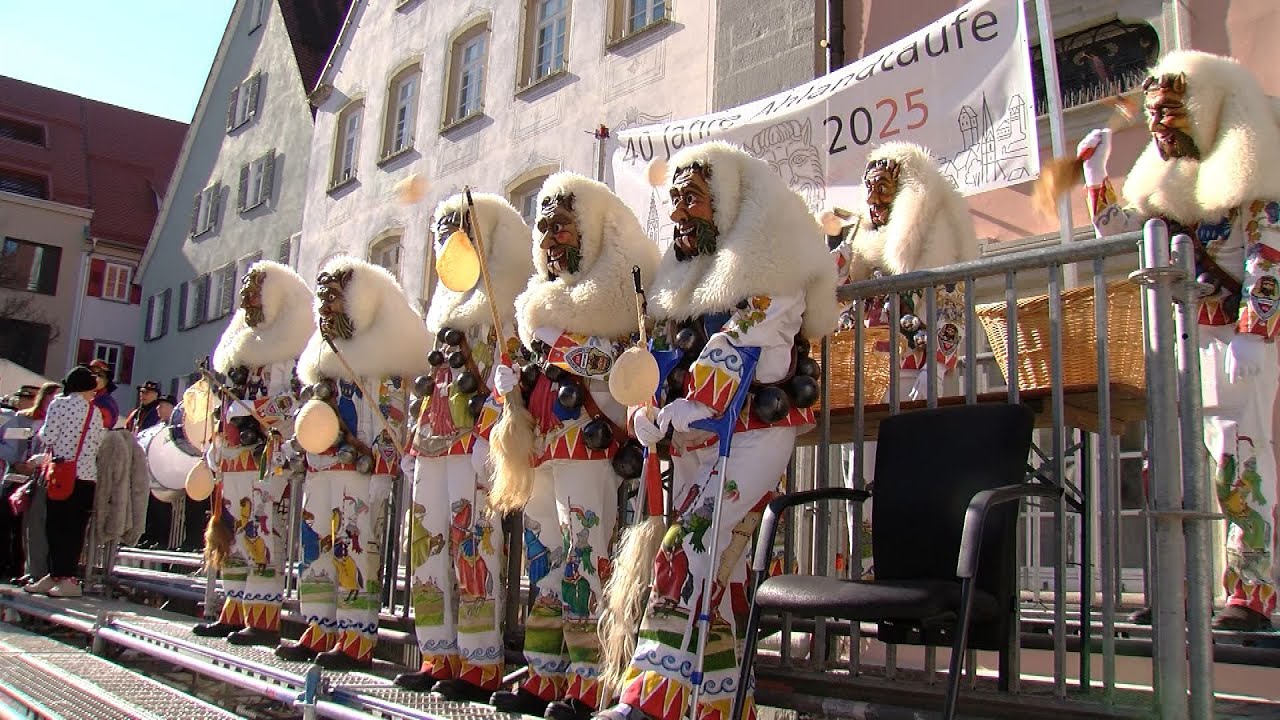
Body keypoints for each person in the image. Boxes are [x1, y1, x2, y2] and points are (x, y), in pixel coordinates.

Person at [596, 142, 836, 720]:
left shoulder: (772, 264)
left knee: (686, 547)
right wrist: (649, 410)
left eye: (693, 198)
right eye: (675, 199)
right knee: (716, 578)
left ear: (726, 203)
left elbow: (744, 337)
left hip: (752, 436)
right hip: (699, 440)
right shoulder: (688, 277)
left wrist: (695, 401)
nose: (679, 212)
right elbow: (670, 358)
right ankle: (722, 706)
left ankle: (648, 699)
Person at [1071, 51, 1280, 632]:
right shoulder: (1168, 187)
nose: (1159, 123)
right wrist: (1096, 178)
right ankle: (1176, 592)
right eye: (1153, 113)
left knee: (1240, 465)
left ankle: (1250, 595)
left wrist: (1253, 332)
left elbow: (1268, 260)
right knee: (1168, 471)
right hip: (1179, 343)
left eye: (1170, 110)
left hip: (1232, 342)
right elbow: (1120, 233)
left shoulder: (1253, 180)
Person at [487, 173, 659, 719]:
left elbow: (612, 364)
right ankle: (544, 672)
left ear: (587, 232)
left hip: (589, 443)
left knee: (586, 556)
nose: (550, 238)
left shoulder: (613, 297)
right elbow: (537, 363)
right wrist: (512, 381)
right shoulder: (539, 304)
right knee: (543, 560)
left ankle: (592, 679)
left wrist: (551, 341)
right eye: (543, 228)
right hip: (542, 445)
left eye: (560, 226)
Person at [392, 193, 532, 696]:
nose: (448, 244)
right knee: (426, 548)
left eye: (458, 234)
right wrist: (412, 444)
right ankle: (437, 653)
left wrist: (488, 433)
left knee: (473, 546)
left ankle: (479, 661)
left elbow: (507, 377)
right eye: (443, 236)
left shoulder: (500, 304)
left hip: (471, 444)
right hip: (431, 446)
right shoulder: (446, 308)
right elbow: (431, 384)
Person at [276, 256, 430, 669]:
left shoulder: (383, 353)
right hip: (321, 466)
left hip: (359, 469)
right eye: (324, 300)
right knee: (315, 547)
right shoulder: (324, 355)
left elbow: (392, 419)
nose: (327, 308)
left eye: (335, 299)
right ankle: (319, 625)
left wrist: (383, 469)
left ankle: (356, 634)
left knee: (354, 547)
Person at [190, 261, 314, 646]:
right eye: (247, 293)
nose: (249, 300)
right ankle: (234, 608)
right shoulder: (240, 352)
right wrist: (219, 437)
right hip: (233, 457)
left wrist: (256, 412)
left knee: (260, 533)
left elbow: (295, 400)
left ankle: (262, 617)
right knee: (231, 534)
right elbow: (226, 402)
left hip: (265, 454)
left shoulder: (288, 350)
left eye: (257, 293)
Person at [24, 367, 107, 598]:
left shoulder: (59, 404)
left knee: (55, 526)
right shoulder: (95, 412)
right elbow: (97, 443)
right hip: (86, 476)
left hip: (62, 474)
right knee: (75, 529)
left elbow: (47, 436)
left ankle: (59, 574)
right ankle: (64, 576)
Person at [6, 383, 59, 586]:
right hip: (17, 474)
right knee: (10, 519)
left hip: (39, 476)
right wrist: (17, 463)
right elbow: (12, 445)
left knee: (31, 524)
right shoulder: (23, 418)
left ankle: (24, 568)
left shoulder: (55, 421)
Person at [87, 359, 120, 429]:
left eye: (99, 375)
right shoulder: (90, 397)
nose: (95, 377)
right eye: (91, 373)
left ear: (106, 380)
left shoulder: (104, 402)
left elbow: (103, 427)